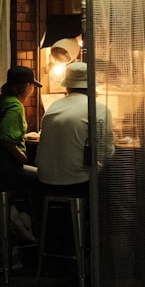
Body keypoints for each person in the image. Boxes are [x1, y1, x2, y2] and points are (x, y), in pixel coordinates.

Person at [0, 64, 41, 241]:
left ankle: (14, 215)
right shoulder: (15, 106)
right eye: (32, 86)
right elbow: (5, 136)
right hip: (6, 170)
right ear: (25, 86)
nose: (33, 90)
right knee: (42, 179)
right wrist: (23, 157)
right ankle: (25, 220)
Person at [35, 62, 114, 198]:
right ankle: (100, 218)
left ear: (67, 86)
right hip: (76, 182)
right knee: (114, 175)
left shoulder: (54, 106)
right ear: (92, 87)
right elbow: (106, 151)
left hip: (44, 179)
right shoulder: (97, 108)